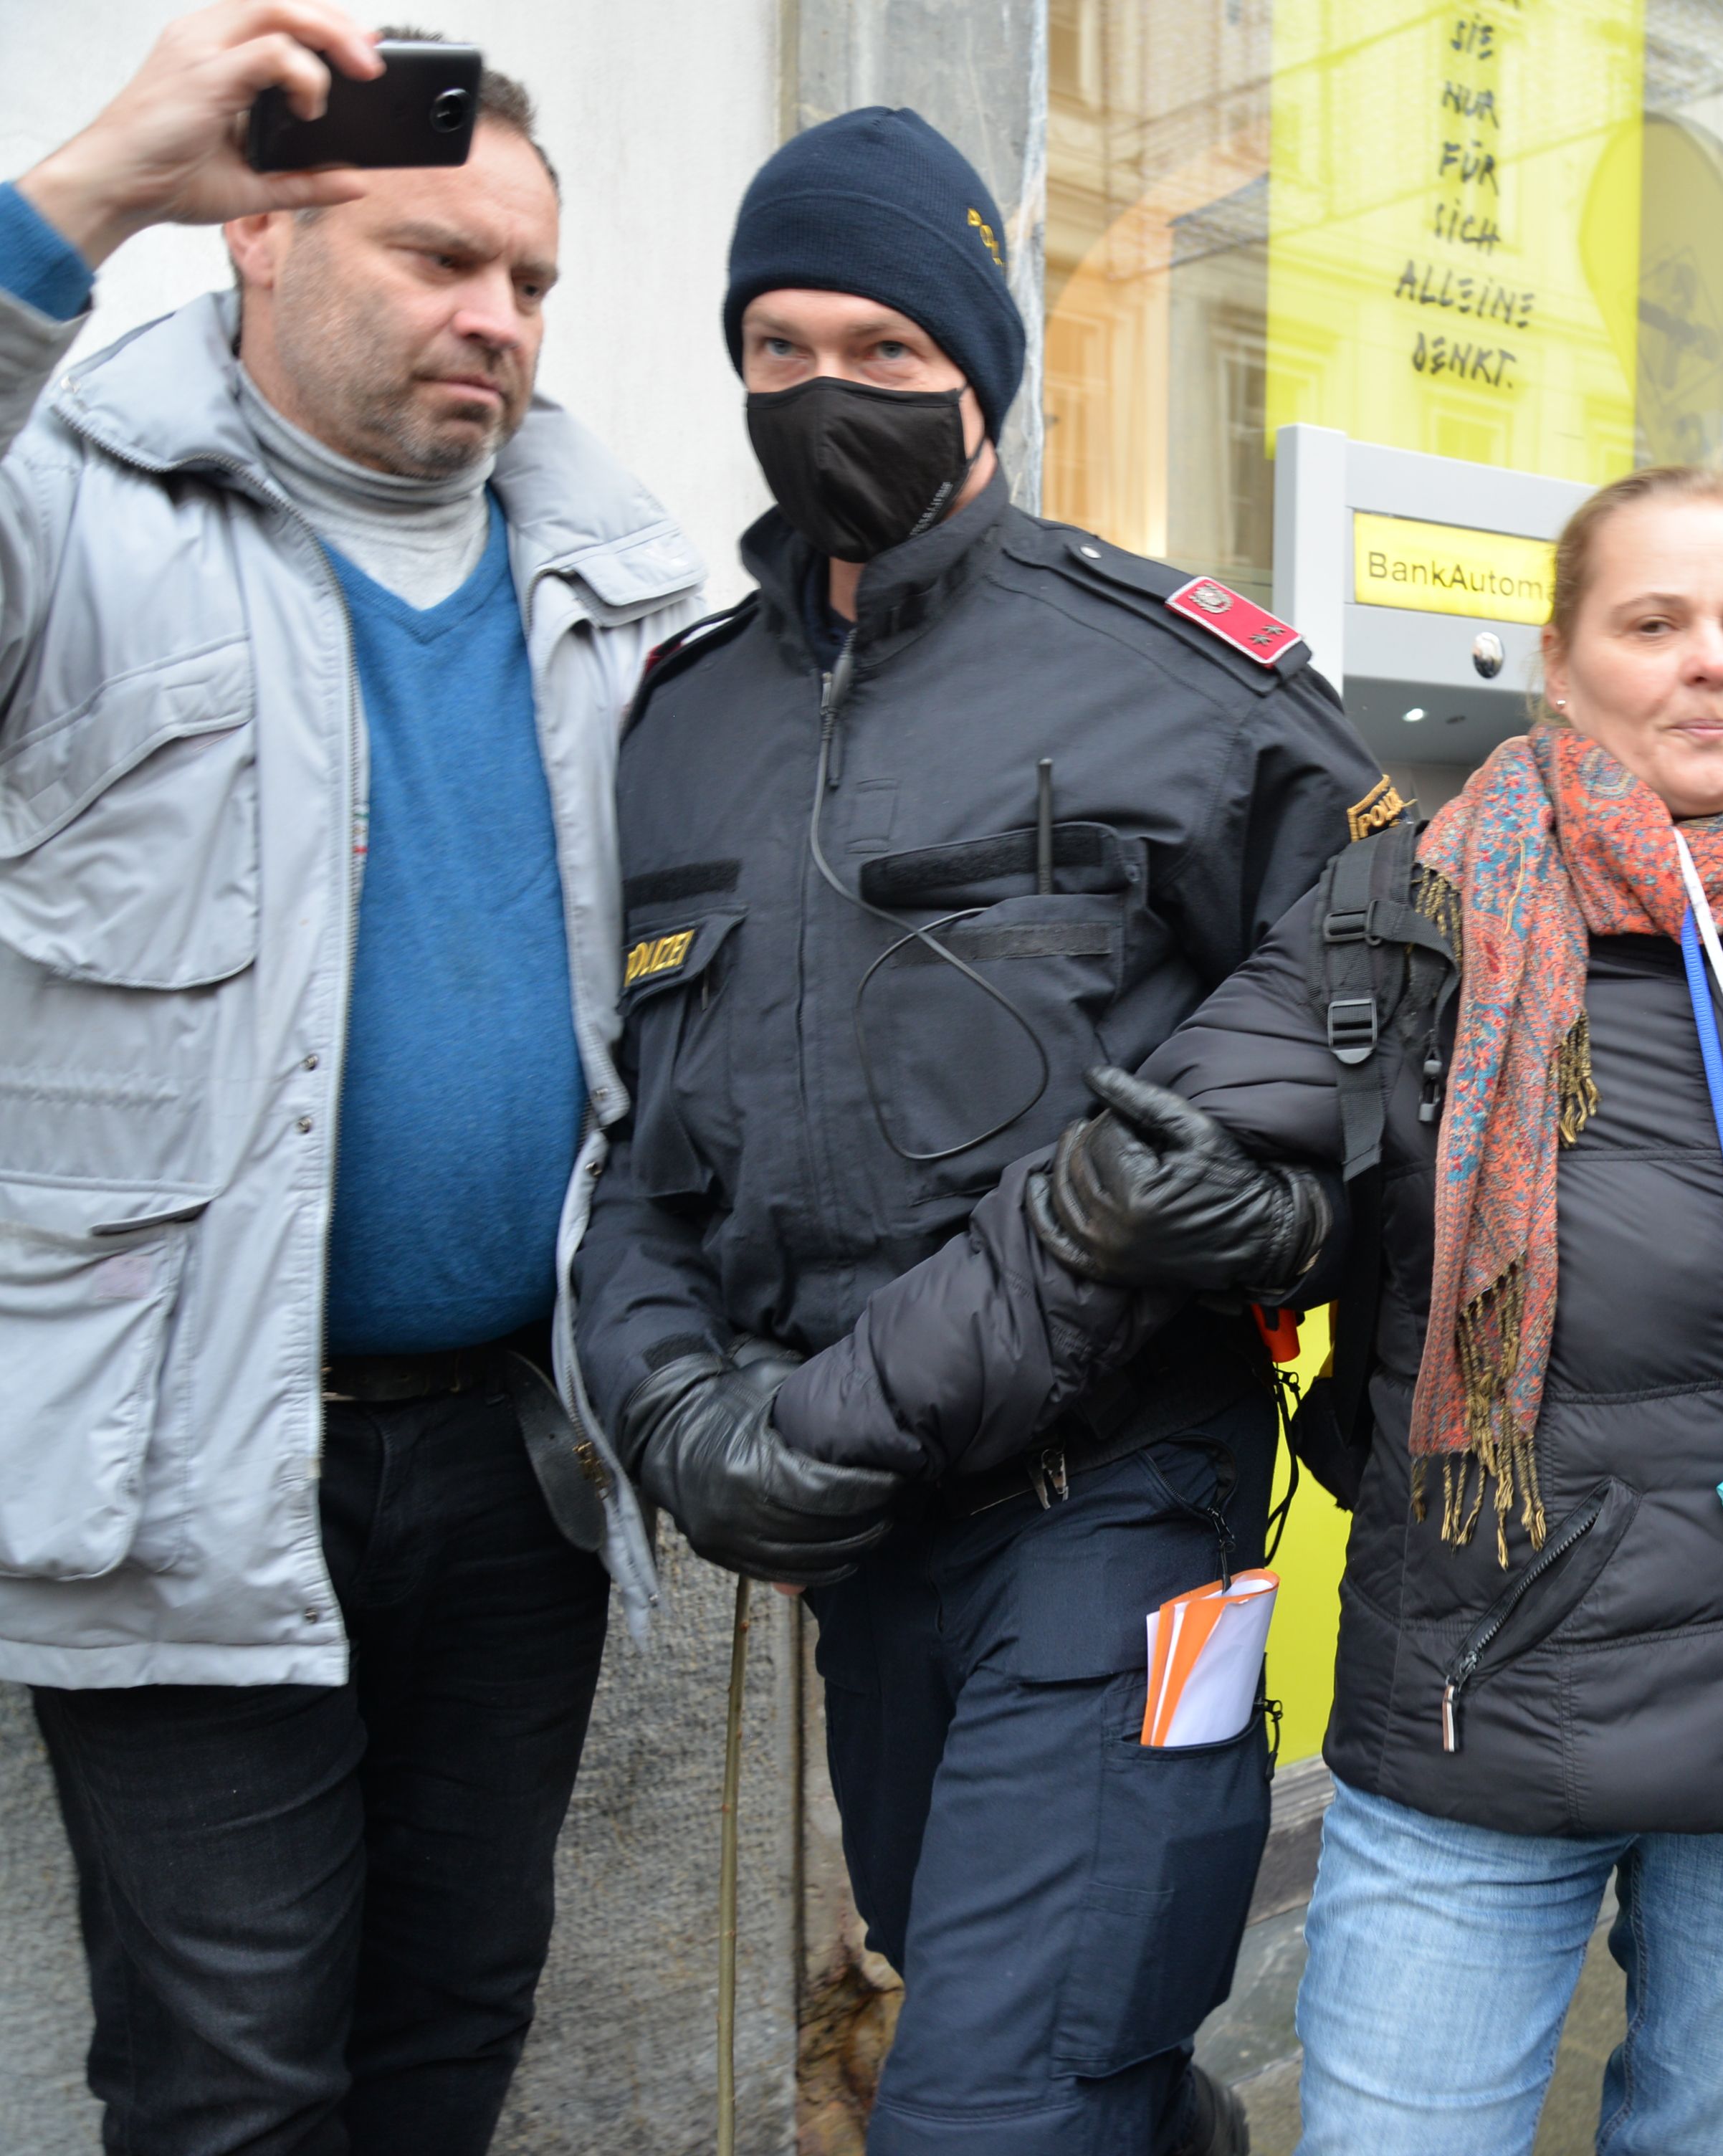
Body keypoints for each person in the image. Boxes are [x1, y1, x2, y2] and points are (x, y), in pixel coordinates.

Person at [1043, 464, 1723, 2156]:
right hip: (1479, 1704)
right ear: (1560, 660)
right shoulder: (1422, 906)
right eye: (1652, 624)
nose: (1708, 662)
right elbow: (1170, 1152)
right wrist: (1260, 1219)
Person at [566, 109, 1386, 2156]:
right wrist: (673, 1417)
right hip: (858, 1537)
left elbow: (1386, 1054)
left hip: (1115, 1499)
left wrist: (1277, 1218)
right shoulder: (677, 727)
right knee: (1050, 2050)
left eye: (881, 345)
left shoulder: (1195, 691)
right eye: (776, 347)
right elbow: (631, 1158)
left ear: (984, 370)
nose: (823, 391)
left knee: (988, 2104)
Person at [0, 11, 700, 2151]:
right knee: (229, 2077)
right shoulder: (69, 529)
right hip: (191, 1446)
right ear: (260, 246)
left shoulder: (625, 585)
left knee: (455, 2025)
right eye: (435, 257)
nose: (497, 318)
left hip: (517, 1462)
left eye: (532, 280)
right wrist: (90, 186)